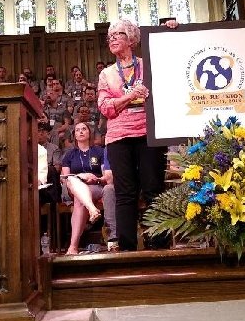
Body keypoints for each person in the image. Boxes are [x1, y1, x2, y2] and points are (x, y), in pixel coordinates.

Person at [98, 18, 178, 251]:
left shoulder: (149, 64)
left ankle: (159, 245)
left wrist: (172, 31)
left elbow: (174, 64)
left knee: (153, 189)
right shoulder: (106, 74)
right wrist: (130, 97)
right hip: (118, 137)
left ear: (132, 39)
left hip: (149, 133)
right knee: (125, 193)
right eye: (110, 36)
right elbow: (105, 107)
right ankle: (127, 248)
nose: (112, 38)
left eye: (118, 34)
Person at [61, 122, 112, 255]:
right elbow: (65, 177)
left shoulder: (99, 151)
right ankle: (91, 208)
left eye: (84, 129)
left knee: (79, 201)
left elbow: (105, 176)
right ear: (74, 135)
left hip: (96, 187)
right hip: (75, 187)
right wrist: (80, 176)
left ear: (89, 133)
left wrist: (95, 178)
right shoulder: (69, 154)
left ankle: (73, 247)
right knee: (73, 181)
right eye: (77, 130)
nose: (81, 131)